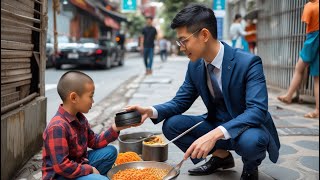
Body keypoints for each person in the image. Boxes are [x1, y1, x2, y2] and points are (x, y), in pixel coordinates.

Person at [126, 4, 280, 180]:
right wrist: (150, 110)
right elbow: (180, 102)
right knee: (171, 125)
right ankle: (221, 156)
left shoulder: (248, 63)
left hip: (245, 128)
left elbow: (257, 111)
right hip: (215, 123)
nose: (181, 47)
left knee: (253, 142)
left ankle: (251, 166)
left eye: (184, 40)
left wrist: (214, 135)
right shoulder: (195, 65)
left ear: (204, 35)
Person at [42, 71, 135, 180]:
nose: (93, 101)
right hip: (61, 176)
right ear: (74, 98)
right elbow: (62, 167)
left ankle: (97, 177)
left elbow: (95, 142)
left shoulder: (80, 118)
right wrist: (89, 169)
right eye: (90, 96)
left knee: (111, 151)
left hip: (78, 164)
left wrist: (115, 128)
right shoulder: (57, 127)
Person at [277, 0, 319, 118]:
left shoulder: (309, 6)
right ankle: (317, 109)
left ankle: (289, 95)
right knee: (317, 78)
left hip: (313, 38)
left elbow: (306, 22)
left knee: (299, 68)